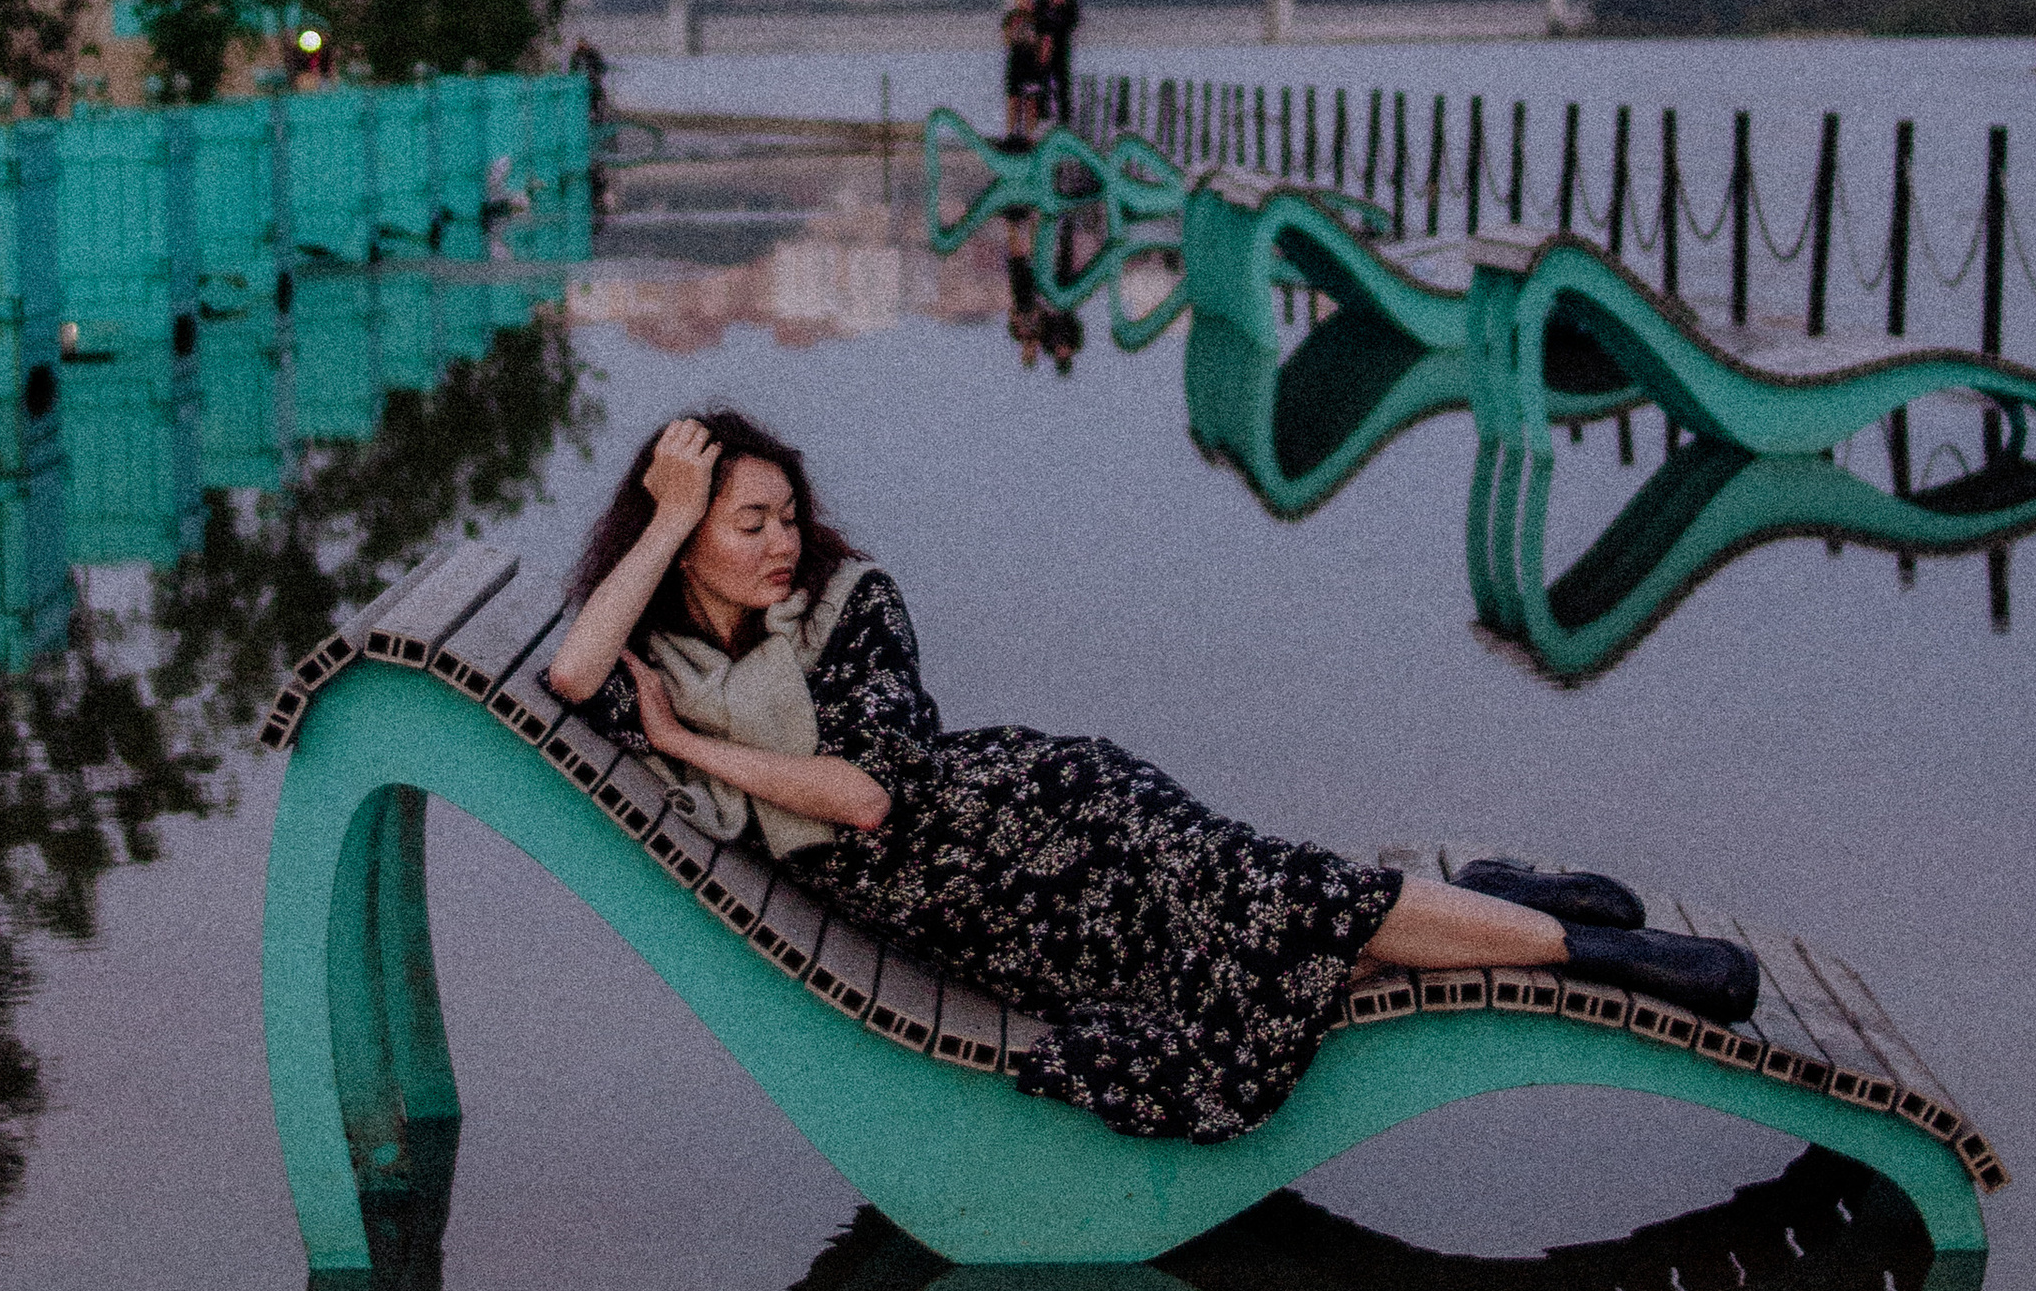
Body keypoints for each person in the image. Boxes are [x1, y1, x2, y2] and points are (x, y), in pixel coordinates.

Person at [545, 413, 1757, 1147]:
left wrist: (693, 750)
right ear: (687, 531)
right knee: (1267, 927)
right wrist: (661, 519)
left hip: (1044, 837)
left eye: (787, 516)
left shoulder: (847, 612)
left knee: (1273, 897)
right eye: (747, 521)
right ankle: (1497, 904)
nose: (782, 542)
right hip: (1005, 919)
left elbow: (865, 797)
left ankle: (1584, 953)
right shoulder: (668, 658)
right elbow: (569, 674)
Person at [1033, 0, 1079, 125]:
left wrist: (1061, 8)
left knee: (1063, 85)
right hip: (1044, 49)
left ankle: (1065, 120)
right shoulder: (1041, 2)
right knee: (1042, 83)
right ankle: (1041, 117)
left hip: (1061, 48)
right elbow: (1037, 23)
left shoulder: (1070, 3)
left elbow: (1072, 23)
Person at [999, 0, 1044, 144]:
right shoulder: (1011, 17)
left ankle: (1030, 136)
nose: (1024, 1)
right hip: (1015, 61)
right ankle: (1011, 134)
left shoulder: (1037, 17)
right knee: (1013, 99)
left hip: (1031, 63)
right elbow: (1007, 39)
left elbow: (1041, 42)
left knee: (1031, 101)